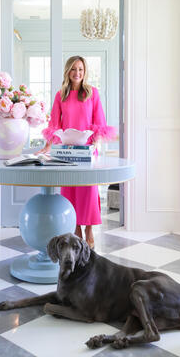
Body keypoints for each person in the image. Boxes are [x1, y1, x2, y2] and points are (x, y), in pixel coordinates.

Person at [39, 56, 116, 248]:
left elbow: (99, 121)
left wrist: (96, 143)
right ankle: (77, 230)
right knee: (69, 191)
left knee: (88, 191)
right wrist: (47, 146)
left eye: (80, 69)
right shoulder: (61, 95)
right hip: (67, 151)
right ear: (68, 71)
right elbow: (55, 124)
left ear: (85, 71)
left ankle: (89, 229)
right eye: (73, 69)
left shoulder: (92, 93)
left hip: (87, 150)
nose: (77, 73)